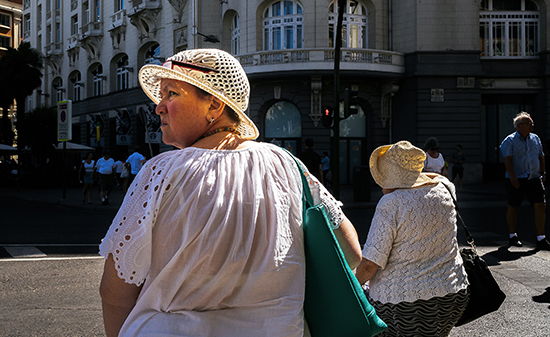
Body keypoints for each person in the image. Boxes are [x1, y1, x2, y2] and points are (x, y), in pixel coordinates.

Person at [99, 48, 362, 337]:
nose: (158, 107)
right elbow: (350, 253)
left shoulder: (161, 172)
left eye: (171, 94)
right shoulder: (288, 165)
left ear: (213, 105)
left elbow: (116, 290)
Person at [355, 141, 469, 336]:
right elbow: (437, 177)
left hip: (404, 304)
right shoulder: (445, 189)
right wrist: (418, 176)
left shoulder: (391, 203)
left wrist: (353, 287)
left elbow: (369, 265)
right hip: (453, 292)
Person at [499, 112, 549, 250]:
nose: (532, 125)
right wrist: (513, 177)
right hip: (517, 179)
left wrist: (543, 172)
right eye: (529, 123)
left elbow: (541, 156)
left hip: (534, 177)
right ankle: (512, 235)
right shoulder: (509, 140)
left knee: (540, 205)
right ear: (519, 126)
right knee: (513, 207)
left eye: (532, 123)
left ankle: (541, 238)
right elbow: (507, 160)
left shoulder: (535, 138)